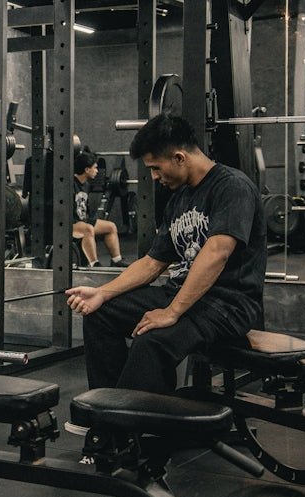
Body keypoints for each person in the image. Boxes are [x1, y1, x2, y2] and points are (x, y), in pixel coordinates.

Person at [65, 114, 265, 410]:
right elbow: (152, 263)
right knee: (100, 314)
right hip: (184, 296)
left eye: (156, 168)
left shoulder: (232, 187)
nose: (155, 177)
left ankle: (127, 425)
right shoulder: (180, 198)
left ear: (179, 157)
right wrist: (102, 293)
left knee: (153, 339)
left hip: (228, 304)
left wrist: (171, 312)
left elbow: (217, 253)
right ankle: (106, 410)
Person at [72, 151, 127, 267]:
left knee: (110, 227)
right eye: (95, 168)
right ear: (87, 170)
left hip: (83, 221)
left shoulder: (86, 185)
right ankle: (94, 264)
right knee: (88, 229)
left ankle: (116, 261)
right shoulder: (70, 184)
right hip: (70, 223)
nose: (97, 171)